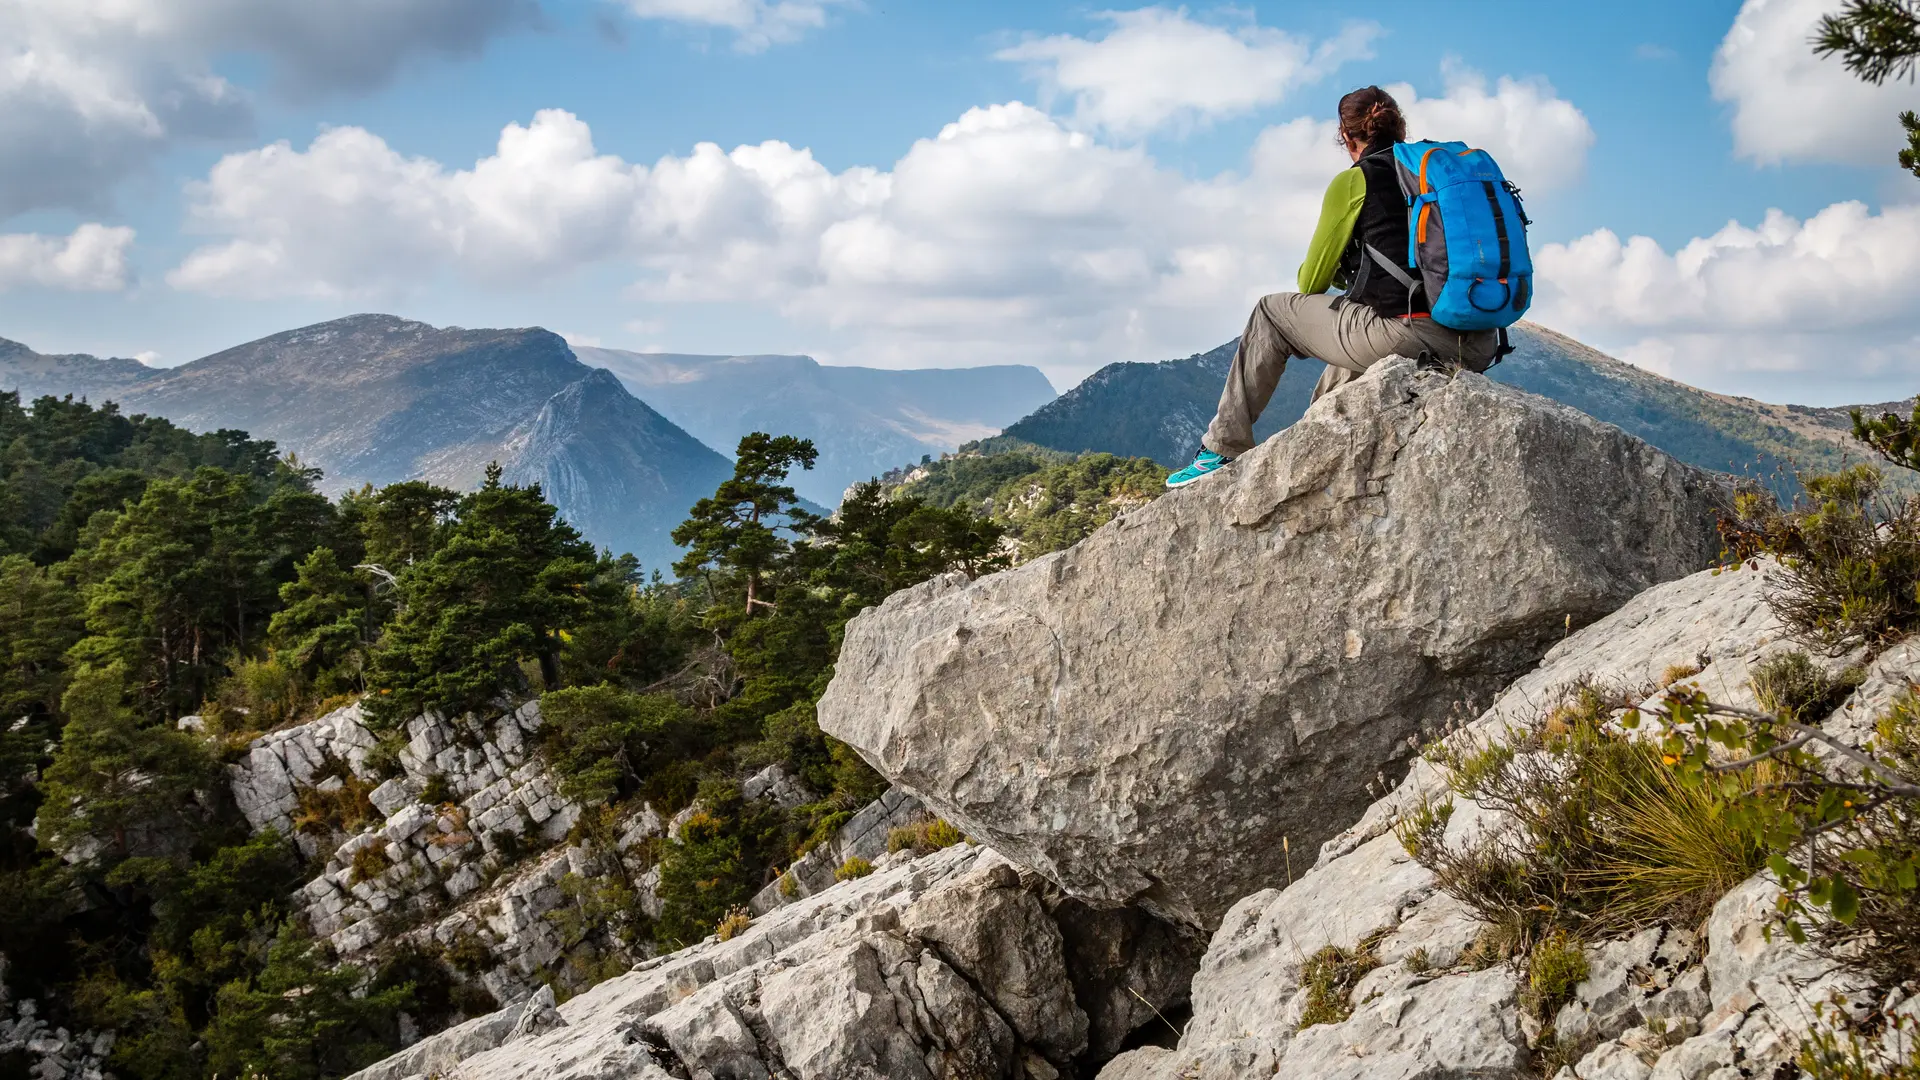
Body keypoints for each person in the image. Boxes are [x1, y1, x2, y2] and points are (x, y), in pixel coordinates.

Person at [1165, 86, 1501, 489]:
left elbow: (1310, 282)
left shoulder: (1356, 180)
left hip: (1411, 334)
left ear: (1346, 136)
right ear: (1399, 126)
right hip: (1479, 340)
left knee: (1271, 311)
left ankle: (1222, 446)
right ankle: (1314, 442)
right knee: (1356, 328)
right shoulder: (1430, 178)